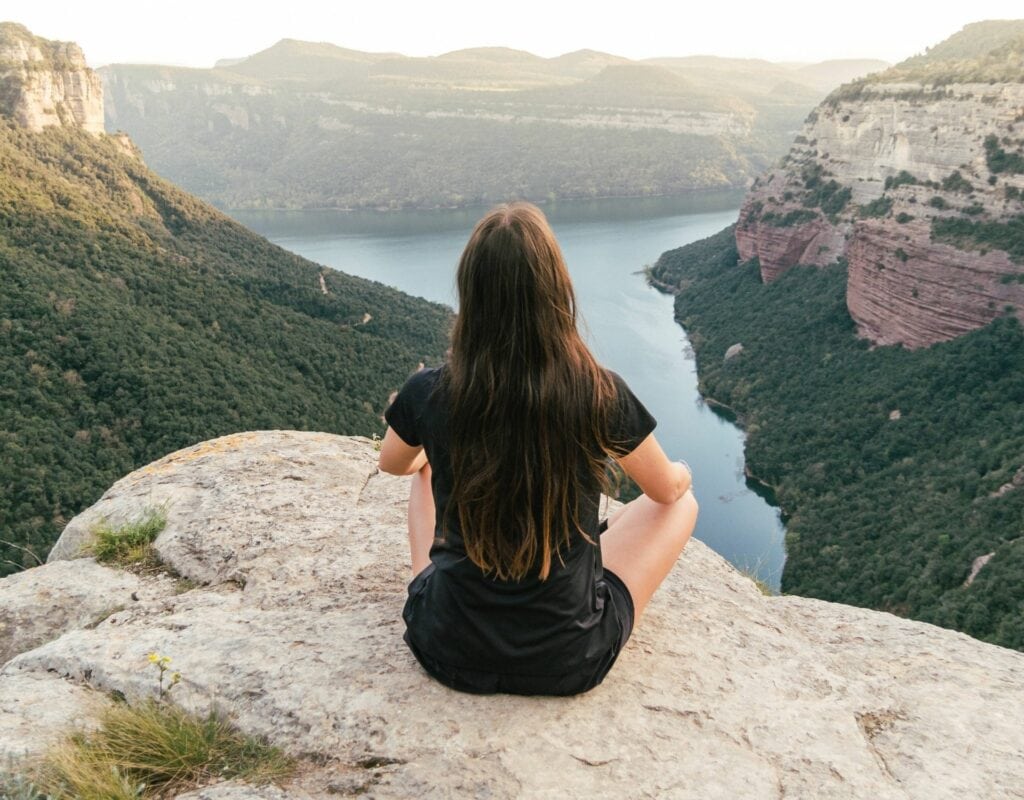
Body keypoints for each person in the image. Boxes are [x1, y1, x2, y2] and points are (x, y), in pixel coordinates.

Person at [378, 202, 698, 696]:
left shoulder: (430, 391)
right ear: (555, 290)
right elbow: (665, 491)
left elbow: (392, 465)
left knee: (423, 472)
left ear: (472, 292)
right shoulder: (596, 392)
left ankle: (450, 596)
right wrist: (682, 472)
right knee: (685, 505)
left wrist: (431, 453)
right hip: (567, 661)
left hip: (446, 648)